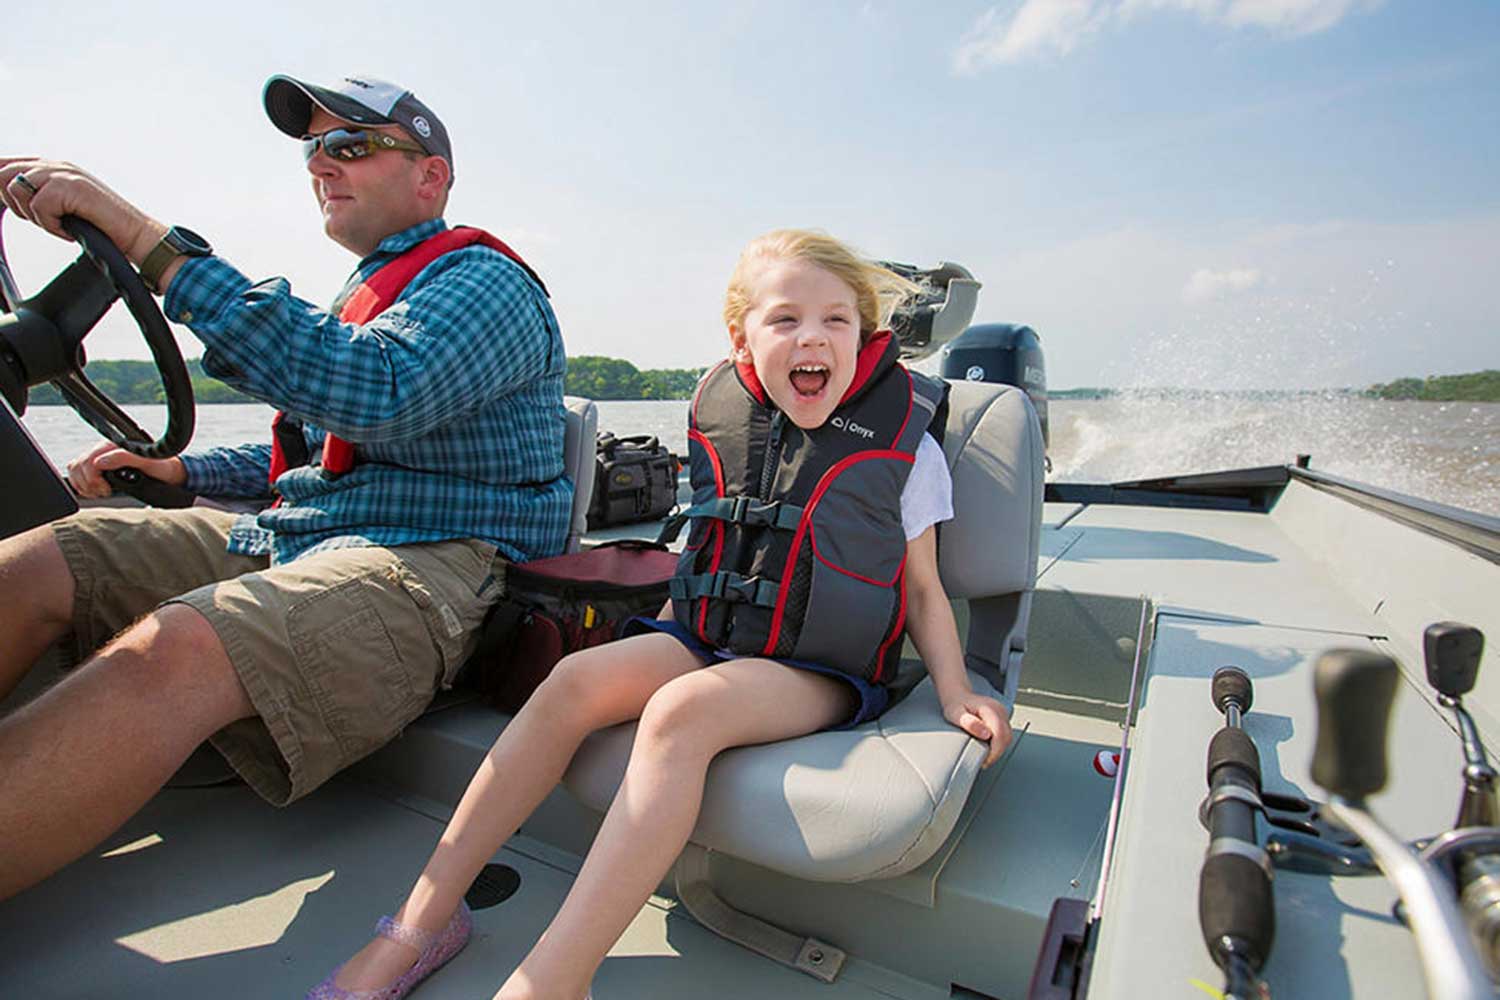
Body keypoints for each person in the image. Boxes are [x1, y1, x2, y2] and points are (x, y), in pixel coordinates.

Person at [308, 229, 1013, 1000]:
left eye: (836, 320)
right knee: (574, 680)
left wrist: (953, 689)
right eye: (785, 320)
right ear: (742, 336)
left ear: (865, 337)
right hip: (707, 636)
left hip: (817, 669)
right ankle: (422, 920)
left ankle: (554, 979)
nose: (812, 336)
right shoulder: (724, 410)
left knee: (680, 712)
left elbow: (919, 591)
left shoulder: (909, 444)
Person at [0, 74, 570, 901]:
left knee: (182, 645)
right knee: (48, 556)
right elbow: (319, 452)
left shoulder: (485, 283)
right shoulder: (374, 293)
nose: (321, 166)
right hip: (308, 534)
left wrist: (147, 243)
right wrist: (185, 473)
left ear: (430, 177)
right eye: (315, 150)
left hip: (437, 562)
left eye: (351, 145)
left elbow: (373, 393)